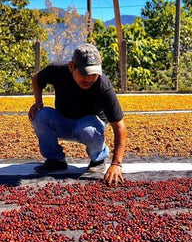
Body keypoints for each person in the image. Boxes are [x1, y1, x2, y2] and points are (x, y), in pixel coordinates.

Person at [28, 43, 126, 186]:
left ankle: (98, 159)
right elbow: (37, 78)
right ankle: (55, 160)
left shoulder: (102, 85)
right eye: (85, 73)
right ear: (71, 67)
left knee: (89, 131)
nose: (90, 78)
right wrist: (38, 102)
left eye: (94, 74)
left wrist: (117, 163)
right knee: (39, 115)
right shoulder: (57, 70)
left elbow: (119, 126)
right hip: (63, 119)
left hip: (89, 124)